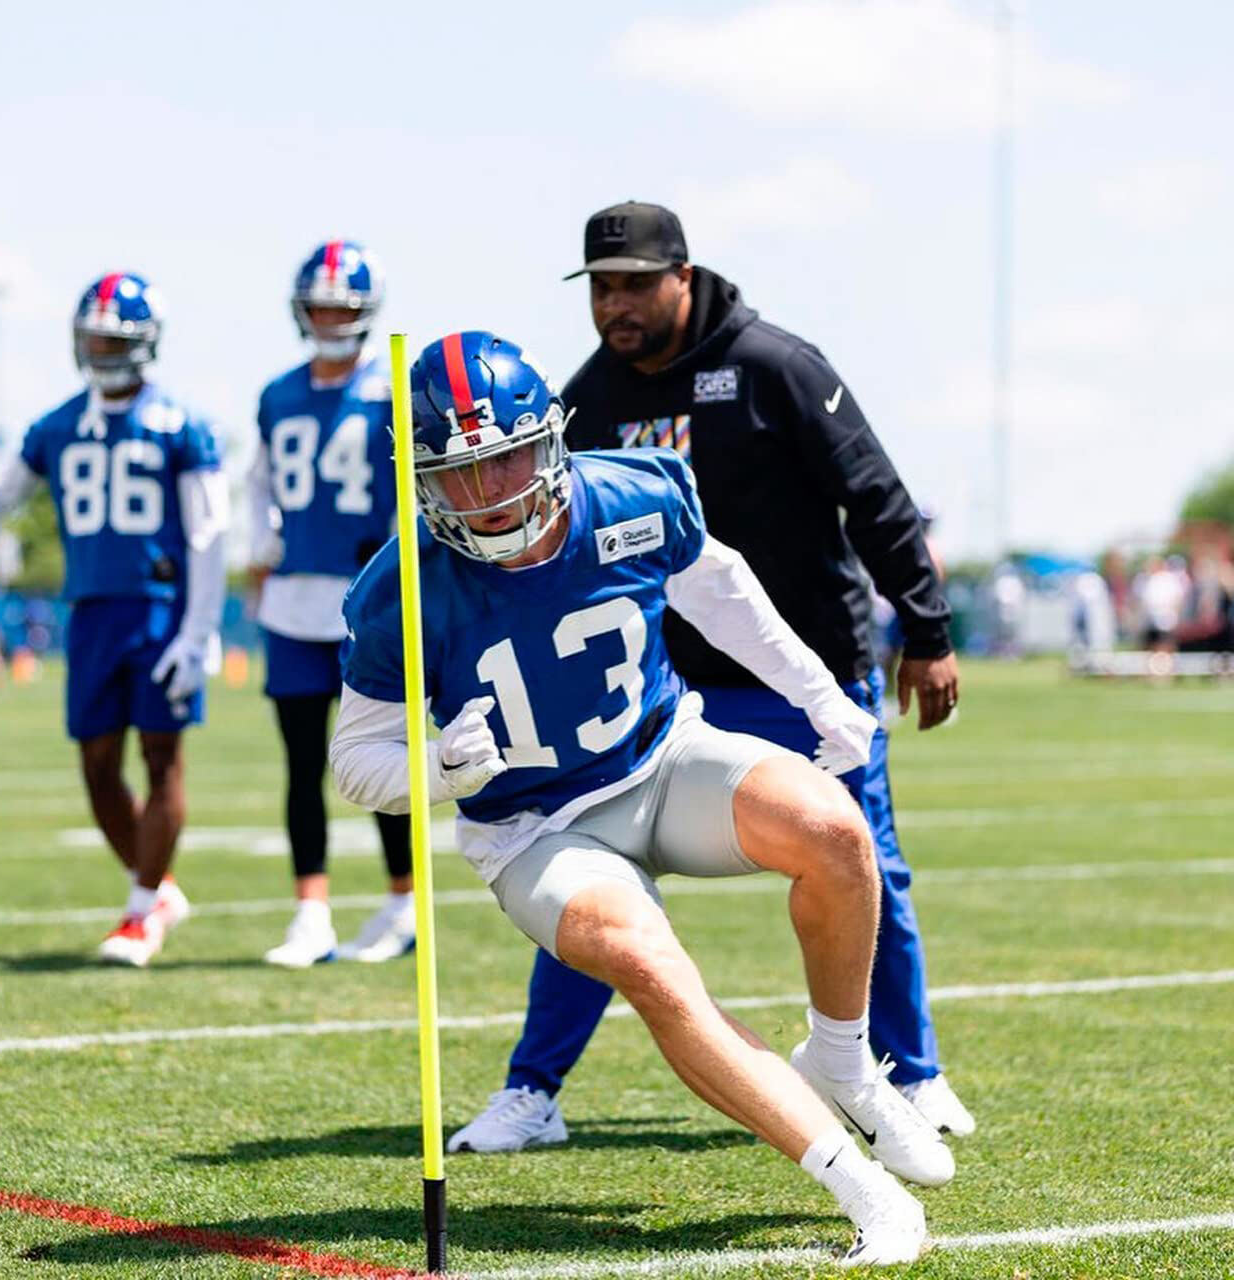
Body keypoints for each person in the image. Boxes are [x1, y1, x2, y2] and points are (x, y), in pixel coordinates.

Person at [331, 331, 955, 1266]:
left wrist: (820, 696)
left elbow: (724, 596)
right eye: (457, 474)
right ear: (420, 476)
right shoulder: (402, 586)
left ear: (549, 442)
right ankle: (861, 1189)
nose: (487, 494)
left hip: (662, 758)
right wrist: (437, 770)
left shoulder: (634, 491)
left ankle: (843, 1057)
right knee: (648, 963)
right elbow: (355, 762)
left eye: (502, 461)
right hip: (536, 826)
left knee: (836, 828)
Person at [450, 202, 973, 1155]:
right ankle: (534, 1089)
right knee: (588, 868)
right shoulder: (585, 398)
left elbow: (876, 494)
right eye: (602, 286)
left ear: (683, 276)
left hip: (802, 667)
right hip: (658, 696)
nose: (617, 304)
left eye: (636, 283)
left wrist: (927, 628)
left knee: (860, 859)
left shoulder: (776, 366)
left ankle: (912, 1072)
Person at [0, 272, 228, 966]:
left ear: (145, 344)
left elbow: (207, 535)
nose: (103, 346)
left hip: (161, 609)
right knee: (97, 766)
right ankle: (158, 888)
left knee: (162, 758)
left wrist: (199, 631)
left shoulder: (181, 425)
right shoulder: (57, 424)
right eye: (95, 335)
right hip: (93, 613)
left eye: (116, 336)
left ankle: (140, 913)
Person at [249, 240, 414, 967]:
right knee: (300, 763)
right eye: (320, 305)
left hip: (367, 599)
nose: (329, 316)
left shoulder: (393, 389)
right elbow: (255, 482)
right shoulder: (278, 393)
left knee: (379, 755)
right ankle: (310, 910)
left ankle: (401, 900)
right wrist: (262, 545)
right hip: (292, 599)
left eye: (342, 306)